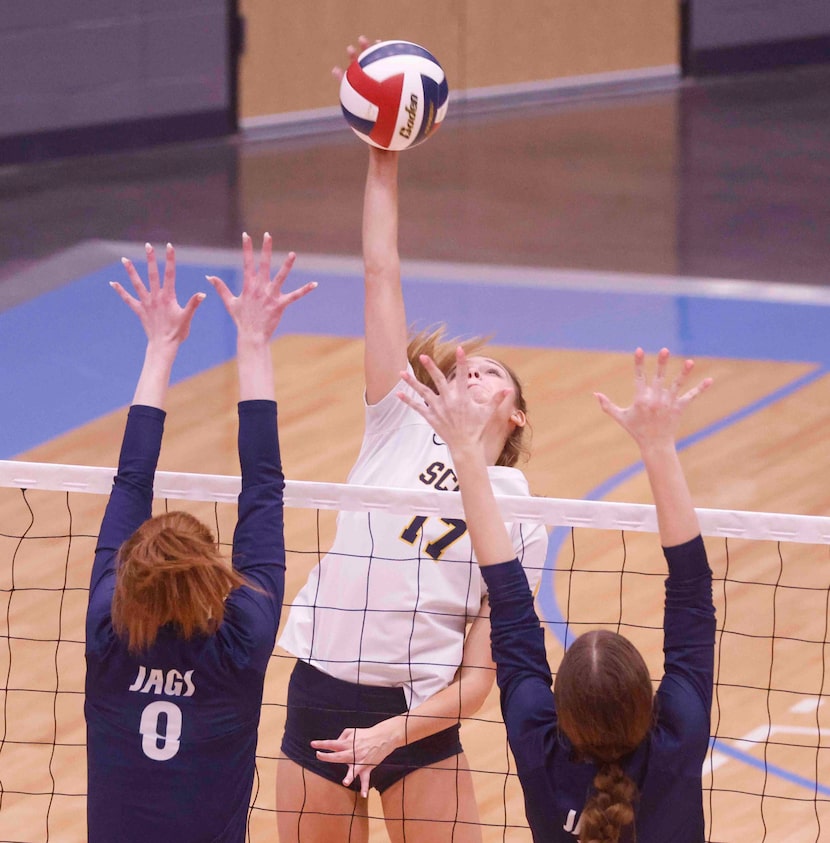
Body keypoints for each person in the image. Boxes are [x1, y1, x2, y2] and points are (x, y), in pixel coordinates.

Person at [274, 39, 549, 843]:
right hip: (323, 692)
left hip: (417, 718)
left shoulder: (524, 509)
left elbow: (477, 678)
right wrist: (383, 154)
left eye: (493, 373)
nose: (471, 370)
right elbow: (380, 270)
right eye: (464, 364)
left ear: (516, 415)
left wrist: (395, 733)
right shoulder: (398, 414)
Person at [398, 346, 716, 843]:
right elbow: (692, 594)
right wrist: (659, 447)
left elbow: (509, 602)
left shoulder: (541, 748)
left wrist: (465, 456)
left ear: (561, 713)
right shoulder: (676, 740)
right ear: (648, 702)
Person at [85, 235, 315, 843]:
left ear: (128, 574)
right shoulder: (242, 640)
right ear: (215, 575)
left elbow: (130, 481)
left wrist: (161, 348)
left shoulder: (107, 632)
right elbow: (262, 489)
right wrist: (253, 342)